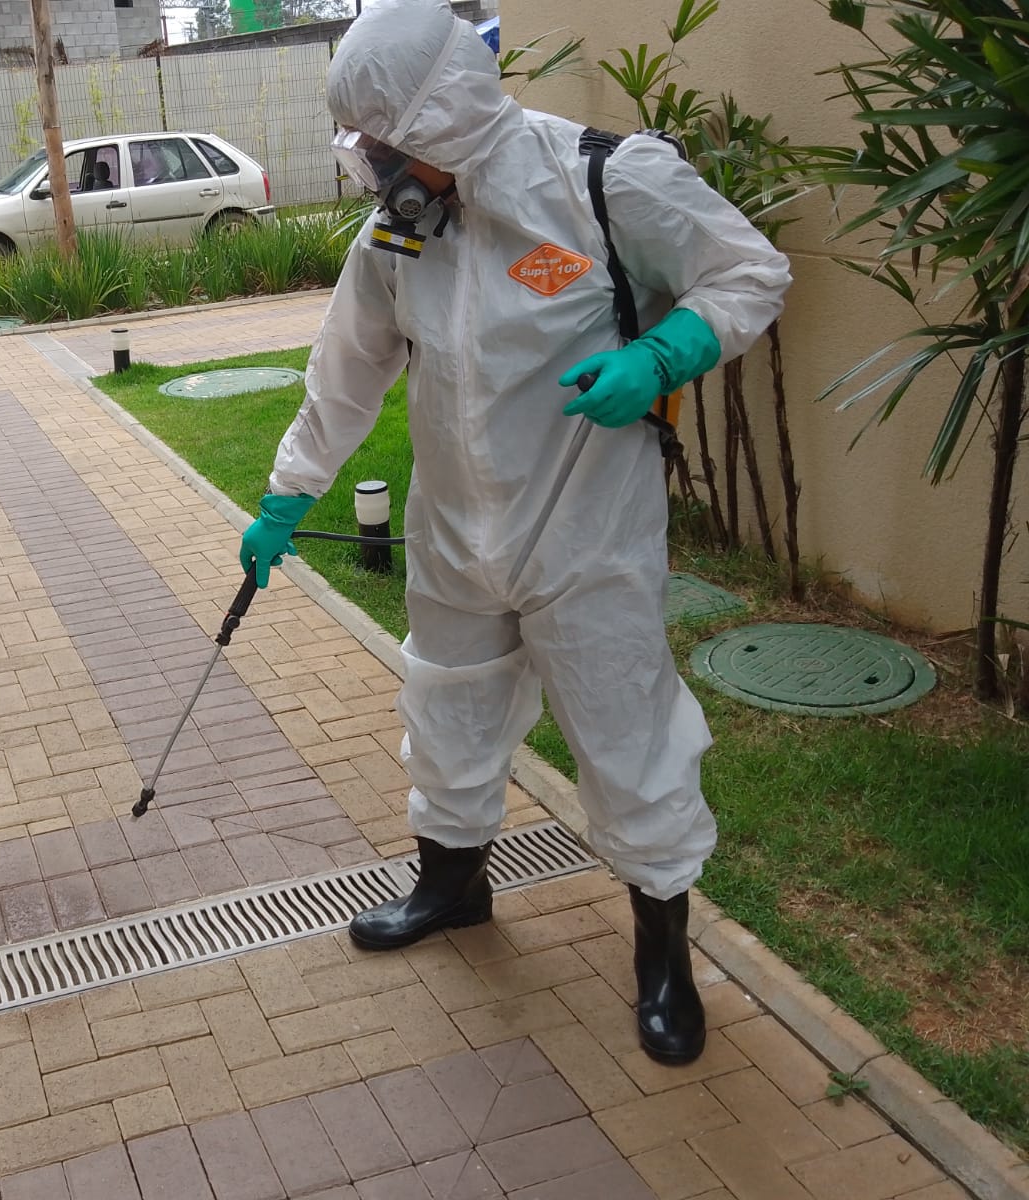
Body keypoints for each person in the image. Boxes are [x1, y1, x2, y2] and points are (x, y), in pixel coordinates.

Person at [238, 0, 791, 1065]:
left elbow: (749, 271)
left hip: (588, 535)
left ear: (444, 117)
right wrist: (285, 495)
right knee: (445, 711)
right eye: (369, 148)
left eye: (392, 144)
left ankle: (662, 956)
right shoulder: (401, 228)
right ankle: (451, 886)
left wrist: (663, 357)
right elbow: (348, 368)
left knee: (627, 739)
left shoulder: (601, 181)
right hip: (454, 536)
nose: (379, 168)